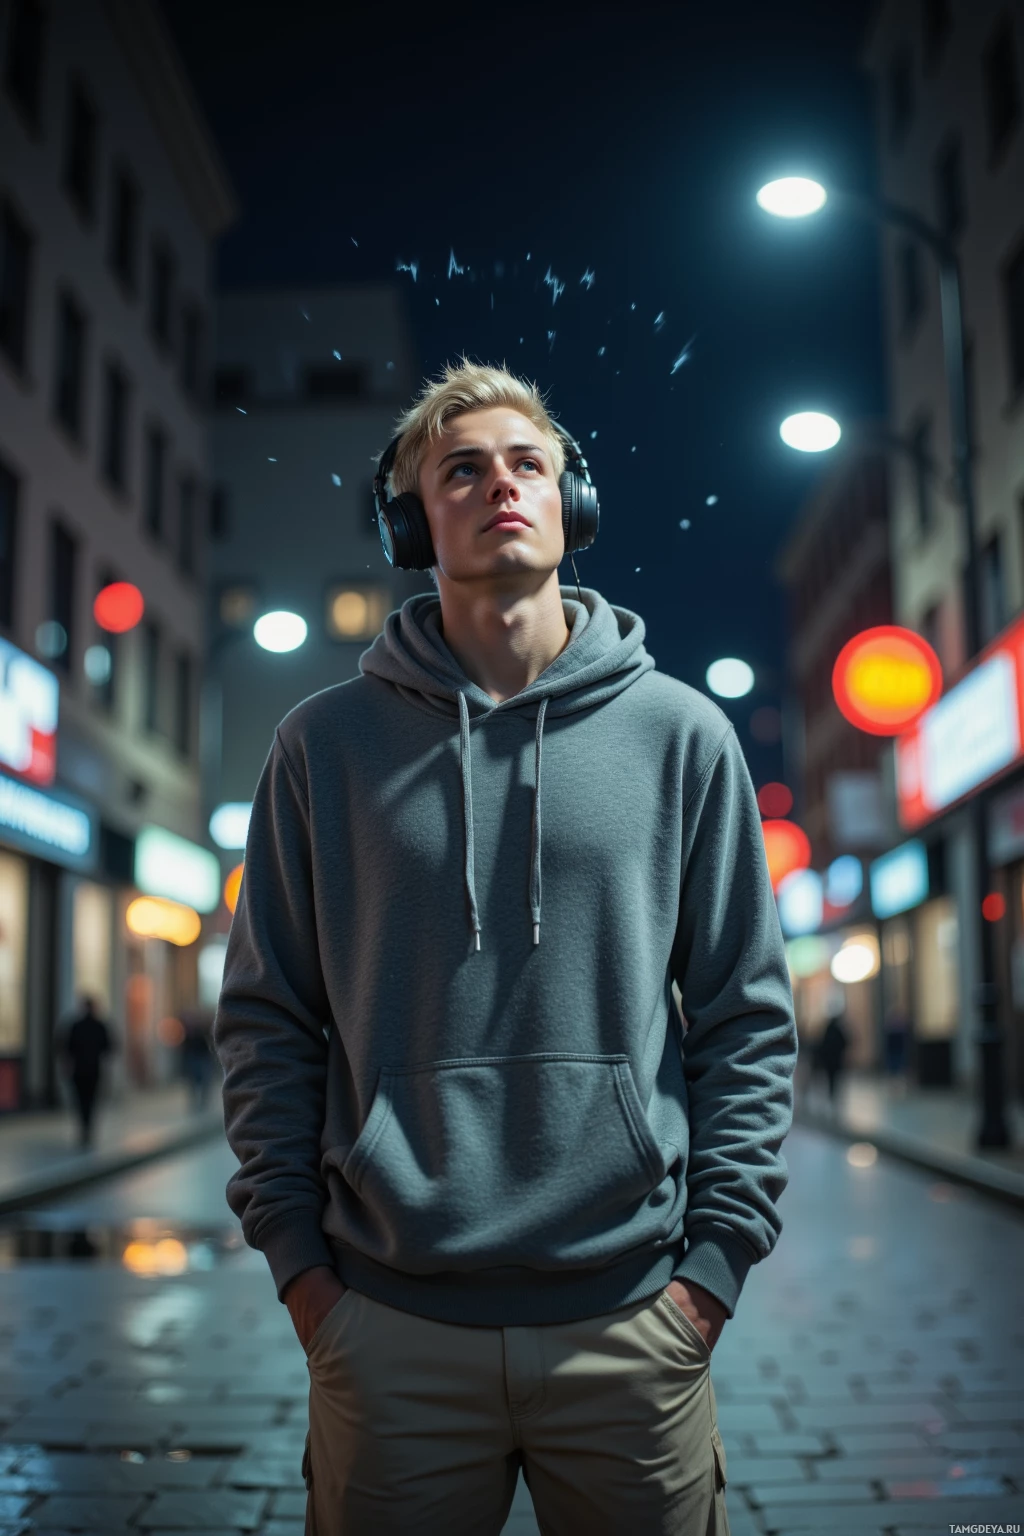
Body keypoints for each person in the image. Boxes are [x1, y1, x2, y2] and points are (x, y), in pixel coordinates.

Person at [215, 361, 799, 1536]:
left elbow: (747, 1015)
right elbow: (268, 1017)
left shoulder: (681, 735)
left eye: (527, 463)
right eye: (461, 470)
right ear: (408, 519)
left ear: (570, 503)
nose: (500, 487)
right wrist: (305, 1278)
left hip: (634, 1320)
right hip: (388, 1326)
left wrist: (711, 1274)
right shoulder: (319, 748)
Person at [59, 995, 114, 1148]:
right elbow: (109, 1048)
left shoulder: (76, 1026)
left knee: (81, 1100)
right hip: (93, 1069)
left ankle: (84, 1128)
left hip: (79, 1069)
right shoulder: (99, 1026)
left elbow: (65, 1048)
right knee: (91, 1100)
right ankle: (87, 1129)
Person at [817, 1007, 849, 1105]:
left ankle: (832, 1093)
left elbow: (822, 1045)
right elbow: (845, 1042)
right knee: (835, 1077)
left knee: (831, 1077)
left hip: (829, 1060)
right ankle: (834, 1093)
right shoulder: (837, 1031)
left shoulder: (827, 1031)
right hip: (836, 1059)